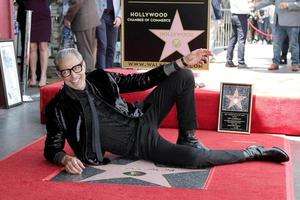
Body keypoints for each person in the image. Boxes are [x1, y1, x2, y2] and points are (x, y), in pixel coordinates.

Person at [44, 48, 289, 174]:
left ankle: (188, 136)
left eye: (76, 68)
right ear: (59, 74)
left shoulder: (100, 78)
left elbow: (142, 81)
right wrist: (63, 158)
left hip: (140, 116)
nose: (73, 76)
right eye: (66, 72)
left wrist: (182, 61)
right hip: (138, 143)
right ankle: (252, 152)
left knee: (183, 75)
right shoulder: (57, 107)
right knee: (194, 160)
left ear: (83, 65)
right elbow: (52, 147)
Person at [254, 0, 300, 72]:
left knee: (294, 44)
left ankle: (295, 63)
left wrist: (288, 5)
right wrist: (254, 6)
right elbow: (268, 1)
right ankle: (275, 62)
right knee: (276, 44)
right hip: (278, 23)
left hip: (293, 23)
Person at [20, 0, 51, 87]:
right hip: (30, 13)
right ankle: (33, 75)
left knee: (43, 46)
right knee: (32, 46)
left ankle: (43, 76)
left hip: (43, 15)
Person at [64, 0, 100, 72]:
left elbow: (77, 2)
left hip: (83, 20)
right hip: (90, 18)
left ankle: (88, 76)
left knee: (85, 52)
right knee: (89, 51)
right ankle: (90, 74)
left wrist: (68, 18)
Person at [95, 0, 122, 69]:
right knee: (102, 45)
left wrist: (120, 16)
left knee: (111, 47)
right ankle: (101, 71)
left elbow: (124, 3)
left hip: (114, 16)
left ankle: (109, 71)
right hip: (100, 15)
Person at [226, 0, 252, 68]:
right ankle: (241, 62)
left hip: (234, 15)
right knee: (241, 40)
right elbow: (244, 8)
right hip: (241, 16)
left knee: (233, 39)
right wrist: (250, 7)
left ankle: (229, 61)